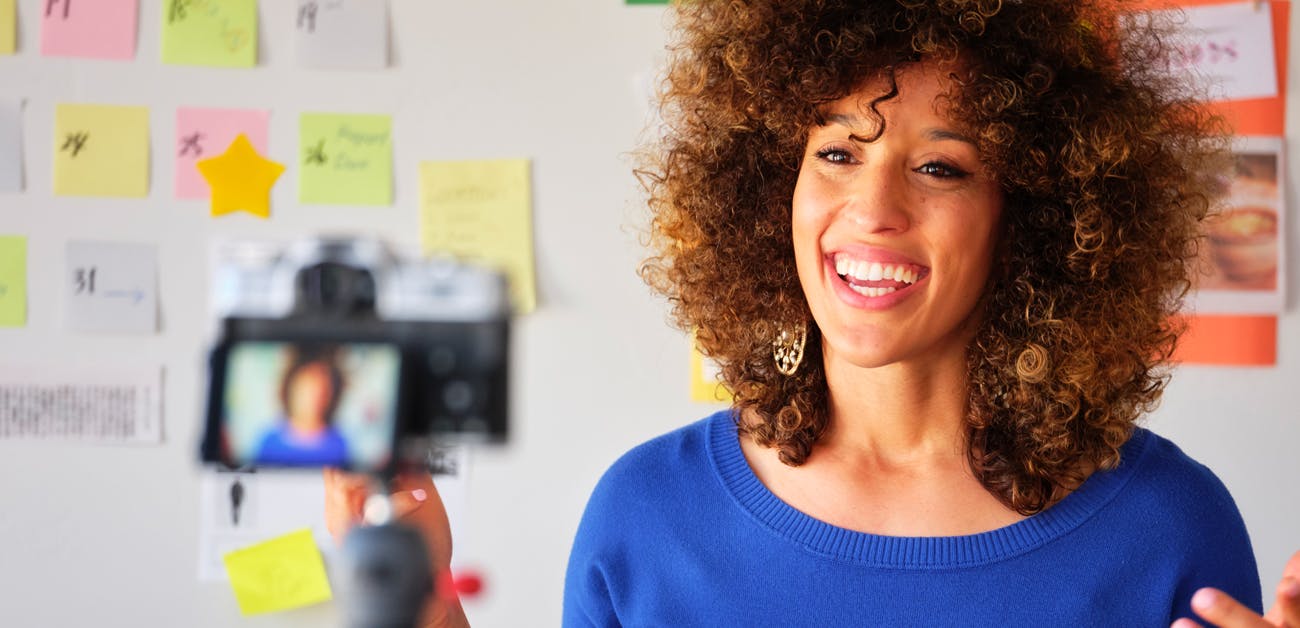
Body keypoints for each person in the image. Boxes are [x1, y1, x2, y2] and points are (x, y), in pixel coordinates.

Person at [325, 0, 1300, 625]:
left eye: (939, 166)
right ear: (765, 188)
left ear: (1035, 217)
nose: (872, 211)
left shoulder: (1169, 529)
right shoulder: (646, 517)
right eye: (835, 153)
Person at [255, 347, 350, 466]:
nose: (314, 399)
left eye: (322, 391)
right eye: (307, 390)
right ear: (291, 391)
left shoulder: (340, 445)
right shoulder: (269, 441)